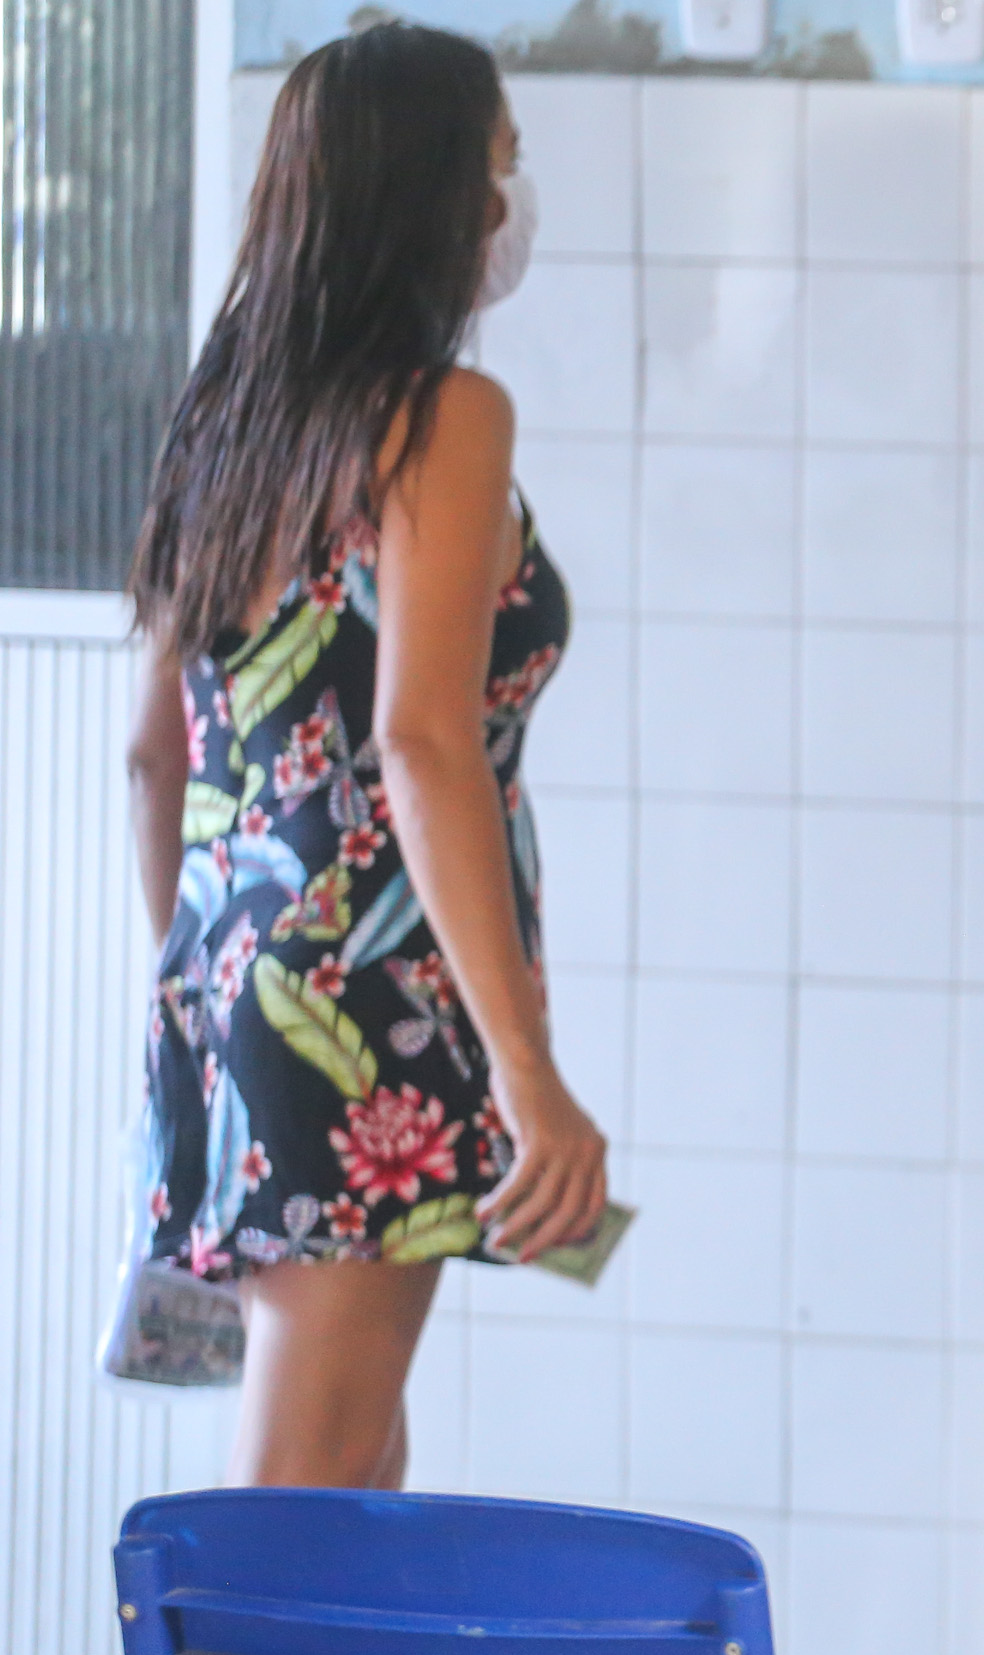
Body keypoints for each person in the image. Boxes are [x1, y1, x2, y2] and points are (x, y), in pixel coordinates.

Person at [121, 22, 606, 1488]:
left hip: (233, 970)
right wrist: (529, 1074)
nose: (506, 209)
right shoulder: (440, 417)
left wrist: (228, 990)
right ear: (433, 192)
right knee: (310, 1484)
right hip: (375, 995)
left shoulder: (226, 423)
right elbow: (421, 739)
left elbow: (152, 757)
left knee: (353, 1463)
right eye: (498, 171)